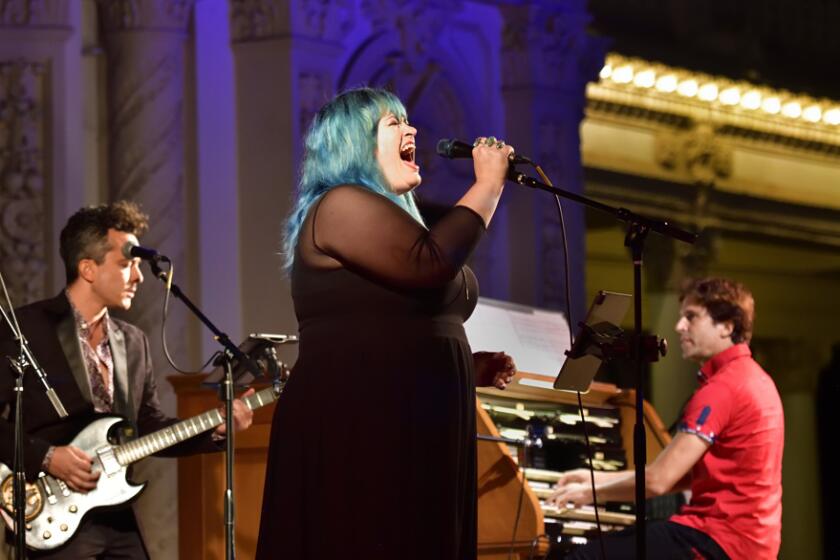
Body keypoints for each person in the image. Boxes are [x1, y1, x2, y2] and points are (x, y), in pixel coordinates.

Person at [255, 87, 517, 560]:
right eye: (393, 123)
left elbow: (392, 322)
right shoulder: (337, 205)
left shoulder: (394, 225)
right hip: (359, 429)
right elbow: (432, 263)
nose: (411, 129)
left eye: (408, 120)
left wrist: (462, 367)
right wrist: (488, 185)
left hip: (414, 423)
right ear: (352, 144)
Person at [0, 201, 254, 559]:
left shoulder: (133, 341)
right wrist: (46, 456)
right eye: (126, 265)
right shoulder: (26, 328)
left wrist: (214, 430)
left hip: (116, 515)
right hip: (49, 516)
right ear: (87, 268)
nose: (137, 276)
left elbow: (148, 426)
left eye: (136, 265)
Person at [549, 277, 783, 559]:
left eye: (691, 317)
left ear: (727, 326)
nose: (679, 327)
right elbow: (683, 477)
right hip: (751, 544)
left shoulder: (722, 389)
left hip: (715, 538)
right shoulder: (756, 379)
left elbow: (657, 481)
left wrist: (592, 493)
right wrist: (594, 479)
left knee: (581, 557)